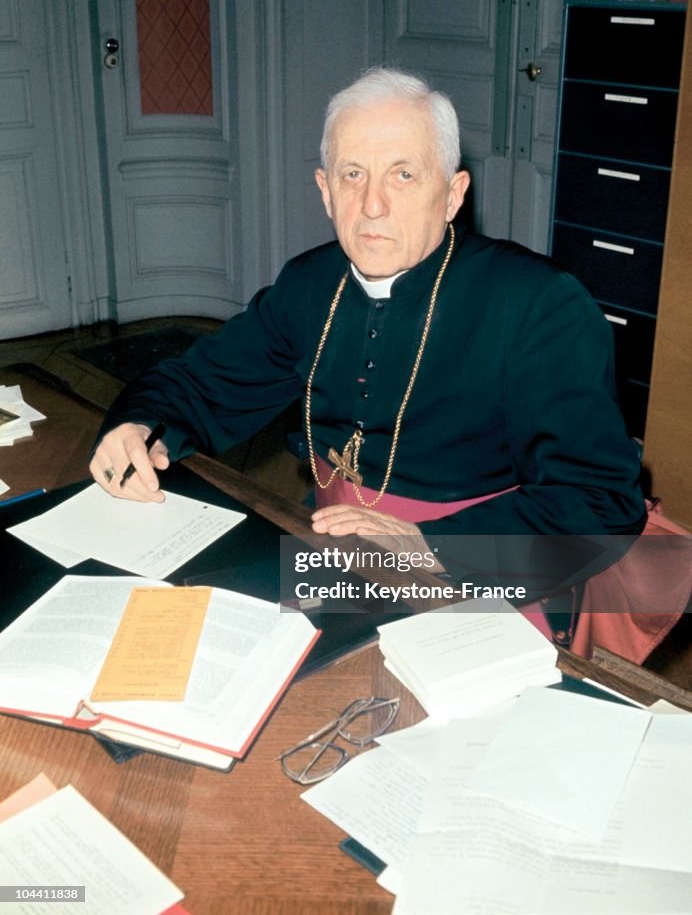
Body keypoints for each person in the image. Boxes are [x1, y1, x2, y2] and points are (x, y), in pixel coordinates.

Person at [90, 67, 647, 610]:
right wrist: (139, 426)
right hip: (333, 549)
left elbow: (599, 503)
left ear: (452, 195)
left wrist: (429, 545)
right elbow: (198, 383)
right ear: (325, 190)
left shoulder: (538, 305)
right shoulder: (308, 284)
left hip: (480, 574)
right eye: (353, 175)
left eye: (403, 175)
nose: (372, 204)